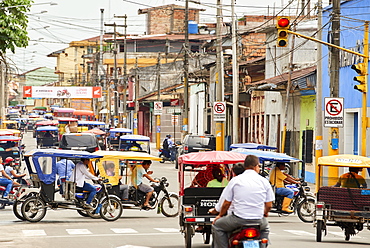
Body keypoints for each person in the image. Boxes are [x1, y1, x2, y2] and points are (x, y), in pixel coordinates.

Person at [212, 155, 275, 248]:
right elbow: (269, 205)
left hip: (238, 219)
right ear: (256, 166)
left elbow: (226, 203)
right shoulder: (264, 181)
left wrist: (220, 215)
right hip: (258, 220)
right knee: (265, 229)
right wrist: (265, 213)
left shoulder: (236, 180)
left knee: (217, 226)